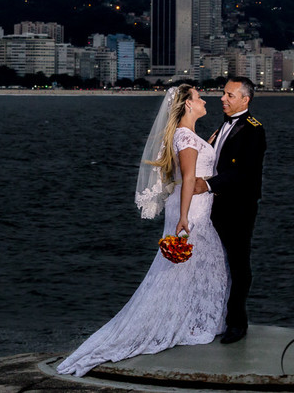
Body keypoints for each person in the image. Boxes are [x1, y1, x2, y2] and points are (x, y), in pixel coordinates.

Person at [56, 84, 227, 377]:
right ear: (187, 105)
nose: (204, 101)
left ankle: (191, 320)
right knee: (195, 267)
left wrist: (207, 145)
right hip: (193, 212)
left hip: (192, 208)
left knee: (194, 268)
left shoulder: (189, 136)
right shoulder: (185, 137)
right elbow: (188, 178)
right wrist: (184, 217)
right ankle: (187, 323)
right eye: (199, 97)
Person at [194, 76, 266, 344]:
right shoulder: (224, 125)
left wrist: (207, 185)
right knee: (209, 261)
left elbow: (244, 173)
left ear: (245, 100)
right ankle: (208, 316)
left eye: (230, 95)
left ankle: (237, 322)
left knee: (238, 264)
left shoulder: (254, 130)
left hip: (238, 209)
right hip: (214, 205)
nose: (222, 98)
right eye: (223, 93)